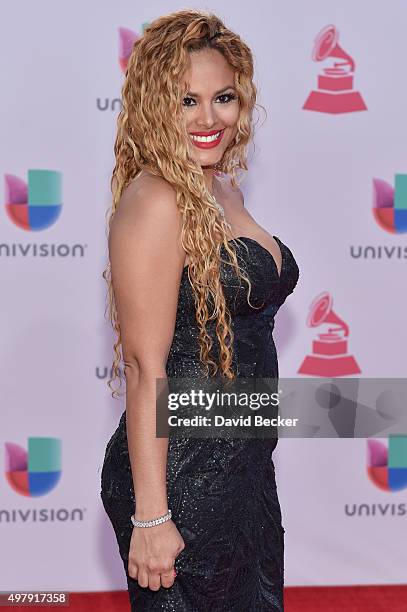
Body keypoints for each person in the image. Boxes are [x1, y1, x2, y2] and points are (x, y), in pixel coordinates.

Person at [100, 9, 300, 611]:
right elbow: (143, 365)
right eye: (188, 100)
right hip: (181, 476)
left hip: (241, 469)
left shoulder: (221, 188)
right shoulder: (156, 199)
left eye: (224, 98)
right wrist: (152, 514)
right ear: (157, 105)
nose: (209, 118)